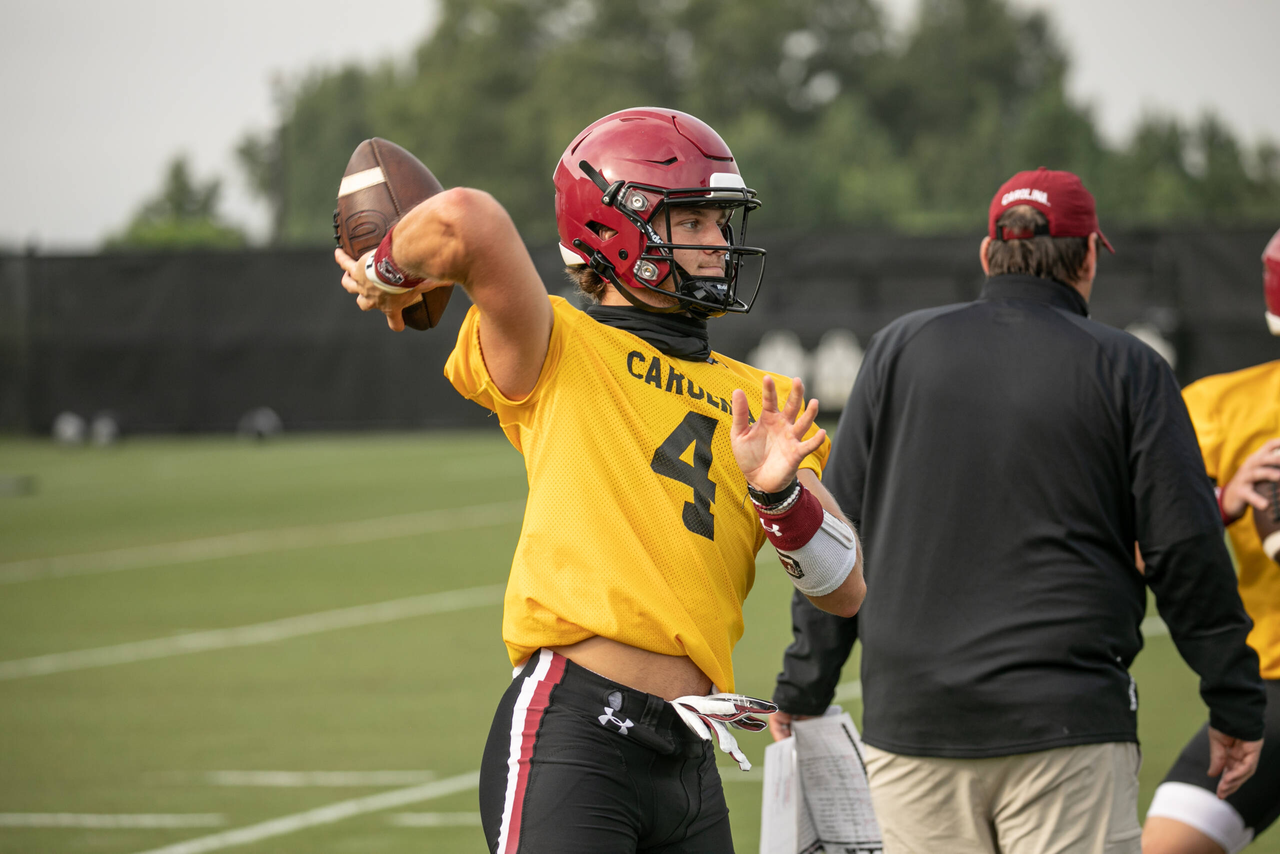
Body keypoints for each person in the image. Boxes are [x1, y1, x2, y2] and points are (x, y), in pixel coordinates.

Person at [334, 107, 865, 854]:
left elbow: (844, 587)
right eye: (697, 220)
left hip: (690, 754)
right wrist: (385, 271)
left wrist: (779, 495)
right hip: (576, 731)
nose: (721, 240)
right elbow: (466, 217)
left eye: (721, 220)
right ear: (619, 228)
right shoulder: (558, 344)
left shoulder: (758, 395)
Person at [769, 167, 1266, 854]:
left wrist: (804, 684)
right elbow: (1183, 550)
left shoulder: (895, 350)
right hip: (1067, 725)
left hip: (915, 727)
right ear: (1089, 256)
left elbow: (838, 541)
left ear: (986, 253)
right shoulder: (1131, 367)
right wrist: (1236, 700)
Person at [1143, 228, 1280, 854]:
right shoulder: (1222, 405)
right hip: (1273, 683)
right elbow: (1140, 551)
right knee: (1167, 845)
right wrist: (1220, 504)